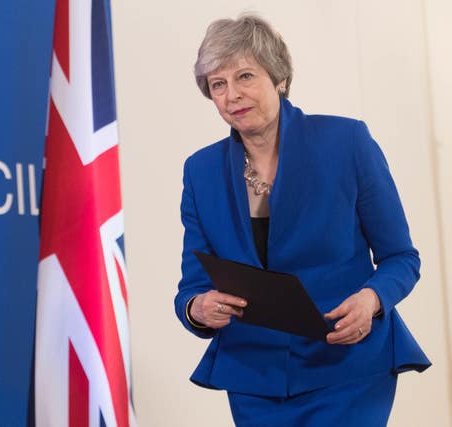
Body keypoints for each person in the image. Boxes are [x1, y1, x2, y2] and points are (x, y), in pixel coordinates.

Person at [174, 13, 431, 426]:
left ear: (278, 78)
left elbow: (402, 258)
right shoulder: (200, 171)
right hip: (254, 377)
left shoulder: (347, 142)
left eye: (245, 76)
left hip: (348, 366)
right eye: (218, 85)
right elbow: (192, 286)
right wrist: (198, 308)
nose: (231, 95)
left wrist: (371, 301)